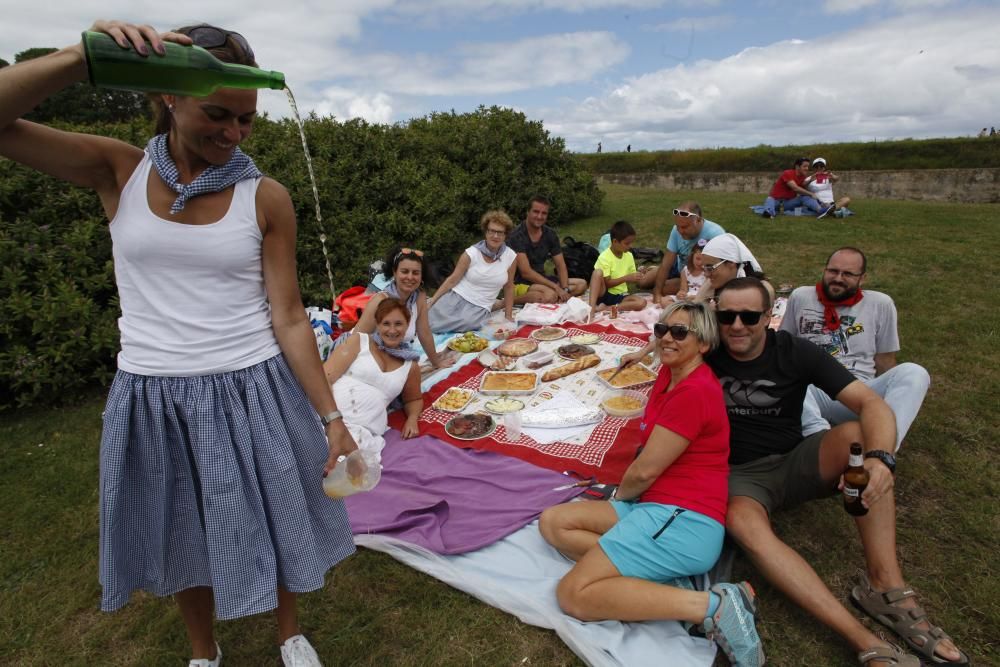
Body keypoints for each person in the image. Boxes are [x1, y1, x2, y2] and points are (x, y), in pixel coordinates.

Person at [0, 20, 356, 666]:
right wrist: (83, 58)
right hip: (156, 393)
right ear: (169, 95)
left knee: (278, 511)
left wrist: (331, 414)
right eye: (218, 113)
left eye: (247, 120)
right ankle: (203, 649)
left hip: (254, 387)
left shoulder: (264, 196)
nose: (233, 133)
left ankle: (289, 632)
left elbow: (291, 314)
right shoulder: (119, 171)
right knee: (183, 526)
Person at [624, 278, 966, 667]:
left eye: (749, 316)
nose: (737, 325)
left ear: (769, 317)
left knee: (857, 437)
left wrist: (880, 459)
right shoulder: (708, 349)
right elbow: (673, 337)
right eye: (727, 316)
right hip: (735, 474)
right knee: (743, 523)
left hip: (792, 459)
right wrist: (643, 351)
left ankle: (885, 584)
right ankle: (862, 639)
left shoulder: (795, 351)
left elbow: (870, 403)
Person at [539, 301, 765, 667]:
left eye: (680, 333)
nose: (667, 339)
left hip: (684, 518)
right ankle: (662, 581)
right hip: (658, 507)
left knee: (572, 595)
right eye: (662, 330)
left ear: (704, 343)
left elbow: (643, 472)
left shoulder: (694, 392)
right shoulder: (669, 374)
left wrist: (620, 493)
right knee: (553, 522)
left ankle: (716, 606)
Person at [780, 248, 930, 451]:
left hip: (858, 394)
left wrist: (892, 395)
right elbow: (782, 346)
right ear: (824, 270)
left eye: (848, 274)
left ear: (862, 278)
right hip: (811, 393)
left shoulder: (880, 304)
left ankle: (883, 452)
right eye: (833, 271)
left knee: (914, 372)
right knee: (793, 374)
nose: (838, 278)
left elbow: (885, 360)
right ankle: (821, 444)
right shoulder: (801, 296)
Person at [323, 297, 423, 444]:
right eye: (386, 324)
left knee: (346, 463)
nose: (392, 330)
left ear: (407, 325)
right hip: (330, 419)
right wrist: (332, 418)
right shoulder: (359, 342)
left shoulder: (410, 366)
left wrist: (412, 419)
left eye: (398, 324)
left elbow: (414, 399)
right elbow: (325, 377)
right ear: (377, 324)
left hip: (364, 432)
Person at [353, 246, 454, 368]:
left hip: (395, 356)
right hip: (368, 356)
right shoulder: (380, 301)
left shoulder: (419, 297)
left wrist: (436, 362)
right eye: (405, 271)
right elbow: (356, 340)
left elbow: (424, 332)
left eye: (416, 273)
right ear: (394, 273)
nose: (410, 277)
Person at [427, 210, 516, 333]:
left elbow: (509, 287)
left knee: (468, 323)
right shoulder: (471, 253)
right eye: (492, 231)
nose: (495, 236)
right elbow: (453, 279)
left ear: (505, 235)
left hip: (480, 306)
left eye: (500, 232)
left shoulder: (510, 256)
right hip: (457, 297)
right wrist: (432, 301)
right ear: (486, 232)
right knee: (429, 317)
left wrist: (508, 316)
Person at [508, 195, 587, 304]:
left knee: (581, 284)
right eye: (536, 212)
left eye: (544, 213)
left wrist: (564, 289)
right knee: (550, 295)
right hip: (521, 283)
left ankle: (557, 299)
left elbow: (560, 265)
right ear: (528, 212)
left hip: (542, 280)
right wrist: (555, 287)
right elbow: (526, 272)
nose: (540, 216)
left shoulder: (550, 234)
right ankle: (507, 301)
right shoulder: (516, 236)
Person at [645, 201, 725, 304]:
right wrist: (657, 293)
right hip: (679, 268)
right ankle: (654, 271)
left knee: (664, 289)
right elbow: (666, 264)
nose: (680, 231)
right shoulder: (676, 230)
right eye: (677, 226)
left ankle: (664, 278)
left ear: (698, 220)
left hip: (697, 278)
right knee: (643, 282)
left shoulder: (716, 234)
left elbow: (721, 271)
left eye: (685, 227)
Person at [587, 220, 648, 315]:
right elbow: (607, 284)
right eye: (627, 243)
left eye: (631, 243)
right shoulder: (604, 257)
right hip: (604, 294)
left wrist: (640, 274)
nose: (630, 246)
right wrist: (626, 278)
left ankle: (606, 308)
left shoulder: (629, 256)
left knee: (641, 302)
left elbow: (632, 277)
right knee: (597, 272)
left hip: (621, 296)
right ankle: (591, 309)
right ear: (615, 241)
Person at [694, 233, 773, 304]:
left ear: (731, 263)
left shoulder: (762, 290)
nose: (706, 274)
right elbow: (695, 314)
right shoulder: (712, 286)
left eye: (710, 268)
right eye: (705, 268)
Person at [760, 157, 831, 219]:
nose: (807, 169)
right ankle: (769, 212)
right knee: (769, 199)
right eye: (805, 166)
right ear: (797, 166)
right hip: (777, 201)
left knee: (804, 197)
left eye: (807, 166)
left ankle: (820, 210)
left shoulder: (803, 177)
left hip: (788, 203)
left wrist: (810, 180)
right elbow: (795, 188)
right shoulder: (787, 173)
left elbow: (803, 186)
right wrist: (811, 194)